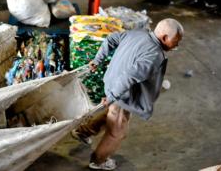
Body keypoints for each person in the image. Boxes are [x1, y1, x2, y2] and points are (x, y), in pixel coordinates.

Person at [71, 18, 184, 170]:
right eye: (175, 42)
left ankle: (82, 132)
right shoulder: (154, 56)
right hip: (123, 94)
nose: (177, 45)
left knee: (112, 113)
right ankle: (98, 161)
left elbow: (111, 39)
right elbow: (128, 76)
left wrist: (98, 60)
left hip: (112, 82)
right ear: (164, 37)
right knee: (117, 132)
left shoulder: (138, 34)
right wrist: (112, 97)